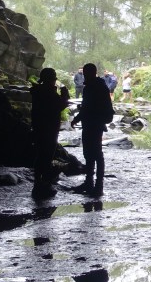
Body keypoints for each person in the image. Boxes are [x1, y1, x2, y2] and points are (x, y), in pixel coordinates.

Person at [70, 62, 113, 197]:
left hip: (92, 124)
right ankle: (93, 183)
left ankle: (96, 185)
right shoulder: (100, 85)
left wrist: (77, 118)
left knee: (94, 154)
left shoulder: (92, 87)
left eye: (85, 73)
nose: (84, 76)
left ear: (90, 73)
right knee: (91, 153)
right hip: (96, 123)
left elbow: (87, 107)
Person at [29, 67, 70, 198]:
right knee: (47, 156)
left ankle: (38, 182)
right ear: (51, 80)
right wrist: (65, 94)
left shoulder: (38, 91)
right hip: (49, 128)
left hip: (38, 127)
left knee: (40, 154)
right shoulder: (48, 92)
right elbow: (59, 106)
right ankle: (44, 185)